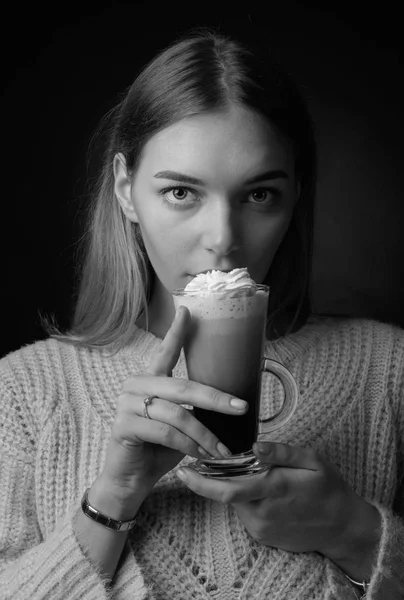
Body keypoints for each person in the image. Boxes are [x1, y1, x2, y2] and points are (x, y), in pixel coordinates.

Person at [0, 28, 403, 600]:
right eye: (182, 193)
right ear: (125, 189)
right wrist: (110, 500)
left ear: (294, 200)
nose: (222, 239)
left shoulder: (389, 371)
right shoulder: (23, 393)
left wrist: (354, 533)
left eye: (259, 195)